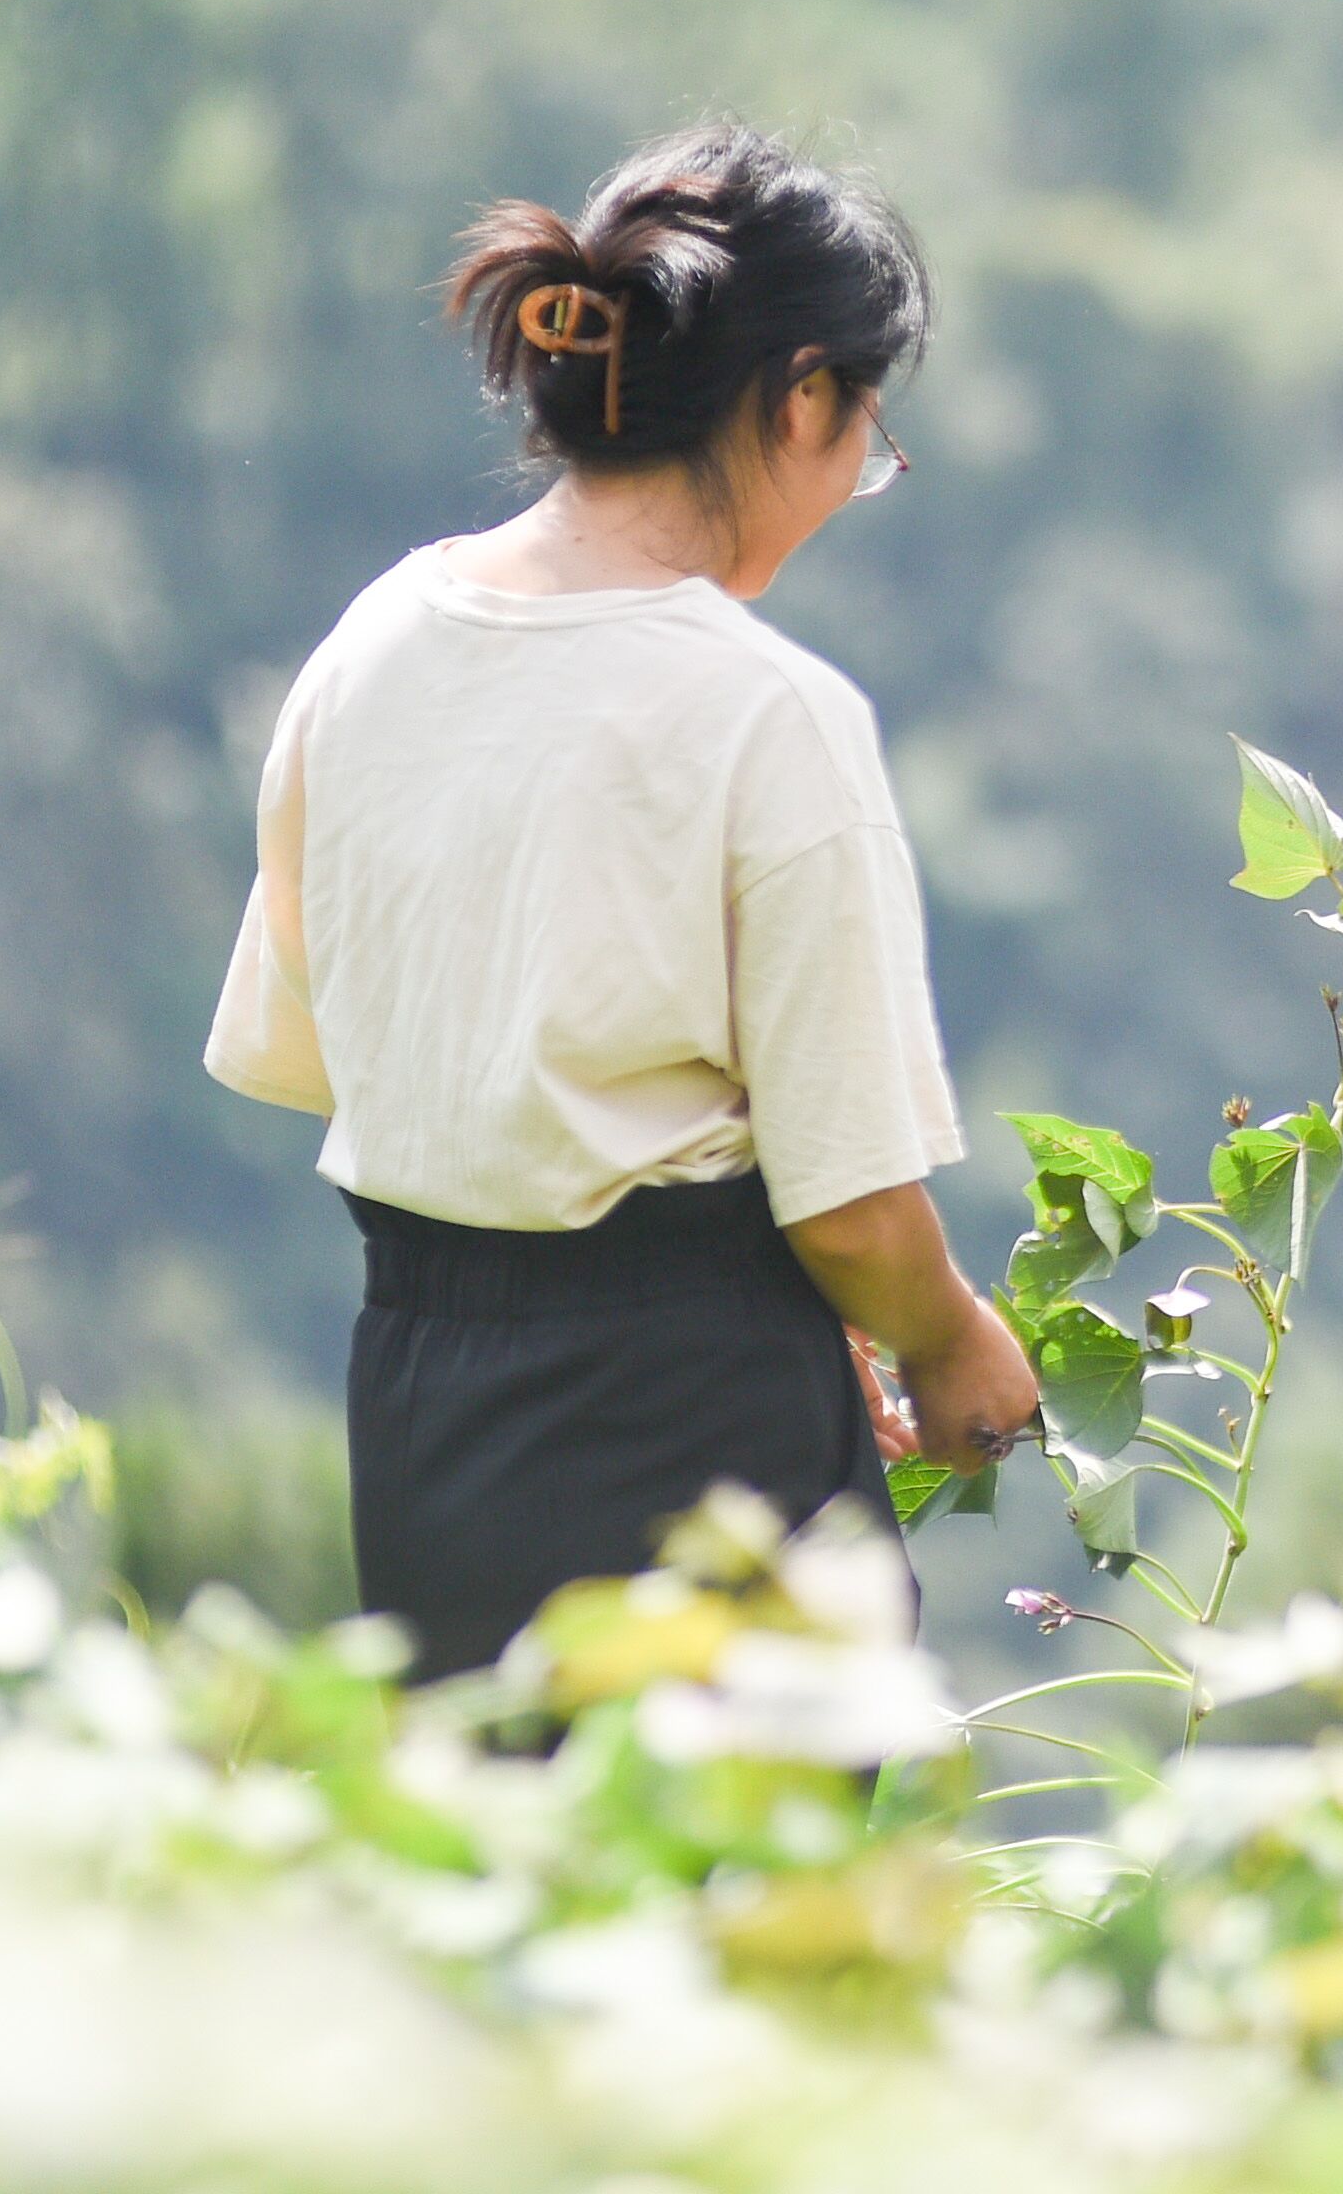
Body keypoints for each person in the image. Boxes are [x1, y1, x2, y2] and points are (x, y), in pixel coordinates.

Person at [205, 122, 1038, 1678]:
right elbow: (853, 1208)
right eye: (868, 434)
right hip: (695, 1436)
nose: (860, 475)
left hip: (423, 1421)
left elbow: (330, 1048)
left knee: (500, 1879)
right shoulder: (761, 715)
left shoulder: (372, 644)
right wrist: (948, 1345)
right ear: (800, 401)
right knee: (732, 1894)